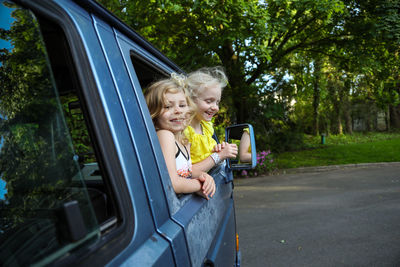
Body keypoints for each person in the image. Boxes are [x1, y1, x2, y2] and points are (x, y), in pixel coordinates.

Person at [144, 74, 216, 199]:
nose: (178, 111)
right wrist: (199, 185)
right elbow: (173, 183)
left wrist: (204, 177)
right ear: (154, 112)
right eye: (167, 106)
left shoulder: (184, 141)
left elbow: (186, 172)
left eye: (182, 105)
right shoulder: (165, 136)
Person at [184, 67, 238, 174]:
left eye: (217, 102)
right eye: (209, 101)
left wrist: (218, 150)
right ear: (190, 100)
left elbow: (207, 158)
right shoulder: (185, 132)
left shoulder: (206, 126)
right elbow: (187, 173)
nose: (215, 108)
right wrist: (219, 156)